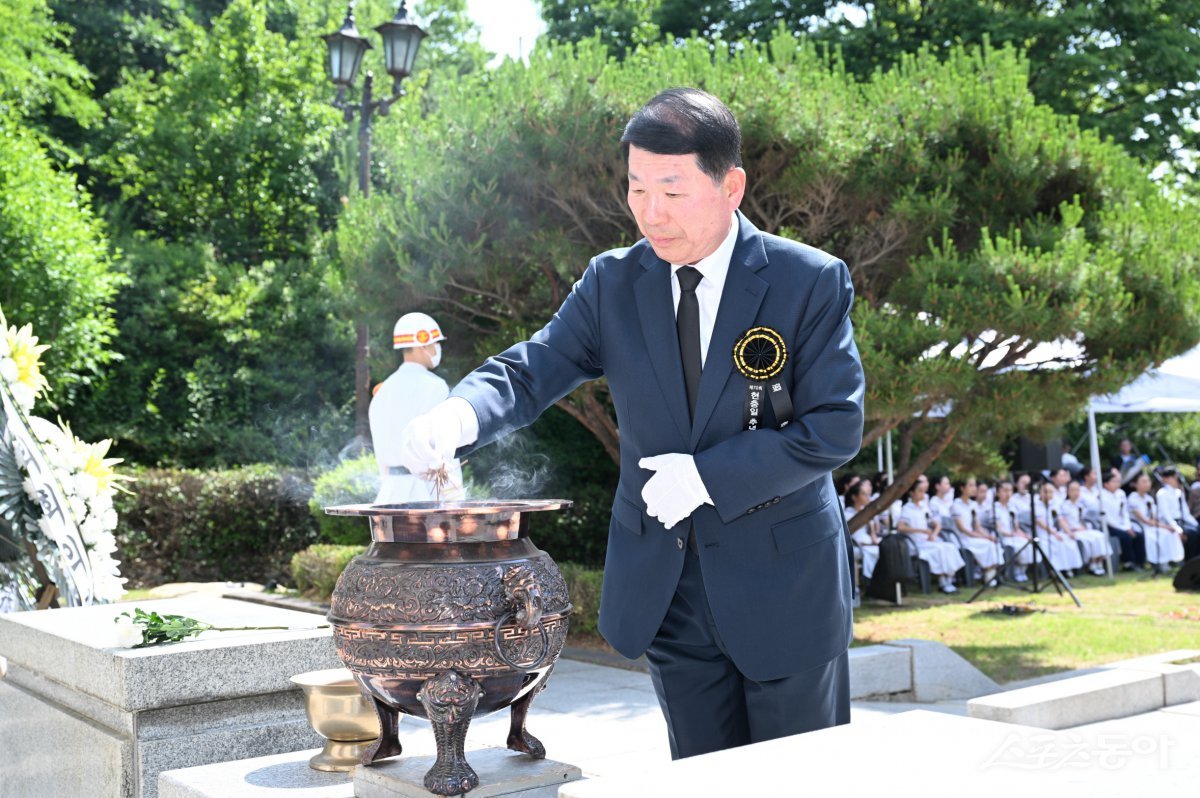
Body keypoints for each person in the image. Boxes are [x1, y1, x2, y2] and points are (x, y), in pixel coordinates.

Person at [397, 88, 864, 759]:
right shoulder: (614, 282)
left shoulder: (806, 281)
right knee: (699, 774)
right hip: (666, 590)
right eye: (637, 188)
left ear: (730, 186)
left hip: (782, 586)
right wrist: (458, 413)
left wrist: (708, 478)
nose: (651, 212)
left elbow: (834, 427)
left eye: (672, 191)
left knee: (793, 777)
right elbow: (534, 368)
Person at [369, 312, 462, 503]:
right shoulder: (436, 386)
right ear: (423, 344)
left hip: (390, 495)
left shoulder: (382, 392)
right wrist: (455, 493)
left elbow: (381, 460)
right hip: (428, 493)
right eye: (435, 343)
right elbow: (444, 446)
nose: (437, 348)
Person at [896, 475, 966, 593]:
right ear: (911, 493)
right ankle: (943, 582)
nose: (922, 494)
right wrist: (921, 531)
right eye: (919, 491)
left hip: (927, 540)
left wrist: (934, 534)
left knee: (949, 546)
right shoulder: (907, 509)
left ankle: (949, 580)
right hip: (915, 542)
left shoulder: (924, 507)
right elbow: (901, 527)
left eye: (924, 492)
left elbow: (936, 523)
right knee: (940, 549)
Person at [1128, 472, 1185, 573]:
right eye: (1144, 481)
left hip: (1152, 526)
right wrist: (1165, 527)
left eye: (1148, 481)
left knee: (1168, 533)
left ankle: (1169, 561)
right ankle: (1158, 563)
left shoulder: (1149, 498)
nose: (1147, 484)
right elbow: (1145, 520)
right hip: (1140, 526)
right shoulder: (1132, 498)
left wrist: (1165, 526)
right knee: (1158, 535)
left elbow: (1153, 518)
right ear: (1135, 484)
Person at [949, 477, 1001, 585]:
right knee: (988, 545)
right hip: (961, 539)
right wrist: (981, 537)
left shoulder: (973, 505)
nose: (974, 488)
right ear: (962, 488)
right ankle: (987, 576)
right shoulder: (956, 505)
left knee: (992, 544)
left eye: (974, 485)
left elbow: (978, 526)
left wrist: (987, 536)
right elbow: (962, 529)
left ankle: (989, 575)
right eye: (971, 485)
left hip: (973, 537)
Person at [1057, 481, 1112, 576]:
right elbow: (1062, 521)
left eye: (1078, 490)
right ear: (1068, 491)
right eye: (1073, 490)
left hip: (1081, 530)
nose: (1076, 493)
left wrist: (1083, 526)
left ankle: (1098, 562)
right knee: (1091, 539)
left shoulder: (1080, 505)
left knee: (1100, 535)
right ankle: (1092, 564)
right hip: (1071, 532)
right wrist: (1069, 531)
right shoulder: (1064, 505)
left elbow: (1081, 520)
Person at [1032, 482, 1083, 577]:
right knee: (1053, 544)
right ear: (1040, 493)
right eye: (1046, 492)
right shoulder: (1036, 505)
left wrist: (1068, 532)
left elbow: (1060, 519)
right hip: (1042, 534)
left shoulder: (1054, 504)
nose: (1048, 494)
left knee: (1068, 541)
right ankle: (1055, 571)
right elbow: (1040, 522)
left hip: (1054, 532)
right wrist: (1054, 533)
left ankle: (1068, 569)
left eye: (1051, 492)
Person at [990, 480, 1033, 582]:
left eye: (1010, 490)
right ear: (998, 492)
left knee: (1027, 543)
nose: (1008, 493)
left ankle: (1021, 571)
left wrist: (1023, 534)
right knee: (1017, 545)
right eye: (1005, 490)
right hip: (1002, 537)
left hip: (1013, 535)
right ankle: (1013, 573)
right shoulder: (994, 507)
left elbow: (1016, 527)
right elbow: (998, 528)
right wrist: (1011, 534)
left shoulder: (1012, 507)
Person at [1101, 470, 1143, 571]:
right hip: (1109, 526)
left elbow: (1124, 512)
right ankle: (1128, 563)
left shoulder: (1121, 493)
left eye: (1117, 481)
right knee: (1126, 537)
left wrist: (1128, 526)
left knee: (1139, 535)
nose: (1116, 484)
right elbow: (1107, 518)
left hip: (1123, 525)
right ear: (1106, 484)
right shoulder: (1102, 496)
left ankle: (1139, 562)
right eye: (1113, 482)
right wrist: (1124, 529)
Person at [1156, 467, 1199, 561]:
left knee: (1197, 531)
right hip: (1170, 523)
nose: (1177, 480)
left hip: (1181, 521)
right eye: (1175, 477)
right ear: (1167, 479)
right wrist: (1176, 528)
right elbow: (1166, 515)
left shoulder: (1179, 492)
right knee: (1192, 534)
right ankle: (1189, 561)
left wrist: (1196, 524)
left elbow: (1185, 513)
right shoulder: (1162, 493)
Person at [844, 478, 881, 581]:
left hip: (868, 542)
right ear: (854, 497)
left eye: (868, 494)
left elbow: (872, 534)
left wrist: (873, 538)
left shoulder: (866, 513)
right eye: (864, 494)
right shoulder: (848, 514)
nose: (867, 497)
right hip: (857, 545)